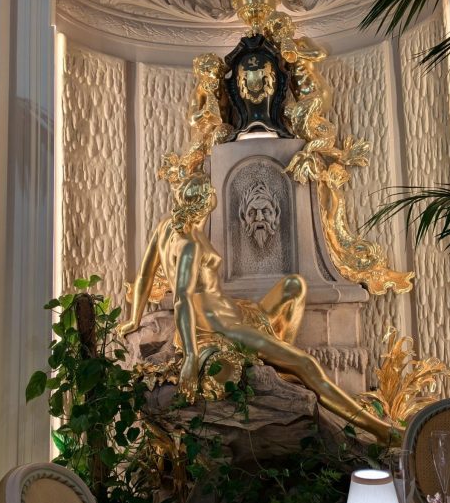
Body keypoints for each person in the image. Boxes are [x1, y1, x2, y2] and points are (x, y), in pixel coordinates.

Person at [119, 161, 400, 444]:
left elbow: (144, 274)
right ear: (204, 204)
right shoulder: (189, 246)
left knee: (294, 286)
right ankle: (381, 431)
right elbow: (182, 300)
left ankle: (279, 365)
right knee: (306, 364)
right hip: (221, 329)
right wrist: (191, 356)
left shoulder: (167, 228)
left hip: (238, 312)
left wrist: (133, 318)